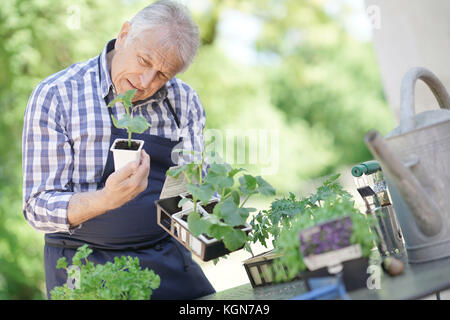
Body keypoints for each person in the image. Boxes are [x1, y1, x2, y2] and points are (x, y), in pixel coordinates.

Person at [22, 0, 215, 300]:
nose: (146, 82)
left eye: (163, 75)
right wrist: (105, 199)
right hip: (82, 265)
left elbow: (190, 193)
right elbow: (37, 207)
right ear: (124, 34)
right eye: (144, 61)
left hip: (164, 256)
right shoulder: (57, 95)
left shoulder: (183, 102)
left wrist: (218, 220)